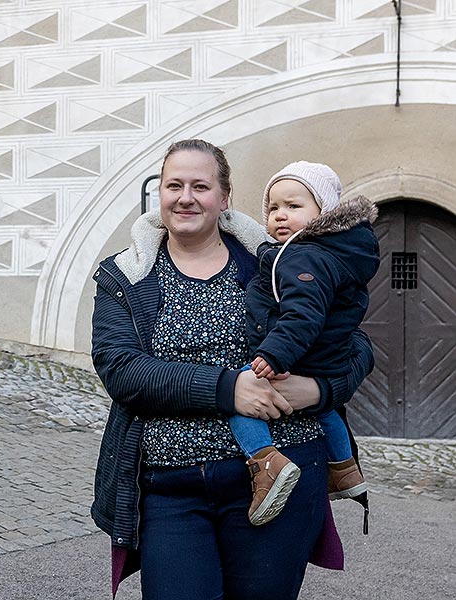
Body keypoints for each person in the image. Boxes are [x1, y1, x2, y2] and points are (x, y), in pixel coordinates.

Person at [90, 139, 374, 600]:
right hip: (170, 487)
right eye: (173, 185)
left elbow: (355, 344)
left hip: (283, 476)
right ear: (158, 194)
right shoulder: (127, 274)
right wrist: (229, 390)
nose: (186, 197)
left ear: (224, 199)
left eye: (200, 186)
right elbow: (121, 369)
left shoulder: (276, 260)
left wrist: (319, 390)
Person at [231, 161, 379, 526]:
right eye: (274, 208)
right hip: (329, 358)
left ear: (322, 213)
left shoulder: (304, 255)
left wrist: (273, 353)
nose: (280, 216)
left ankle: (267, 463)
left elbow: (303, 314)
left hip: (299, 355)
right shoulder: (332, 252)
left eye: (293, 207)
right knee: (323, 409)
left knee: (241, 398)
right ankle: (344, 469)